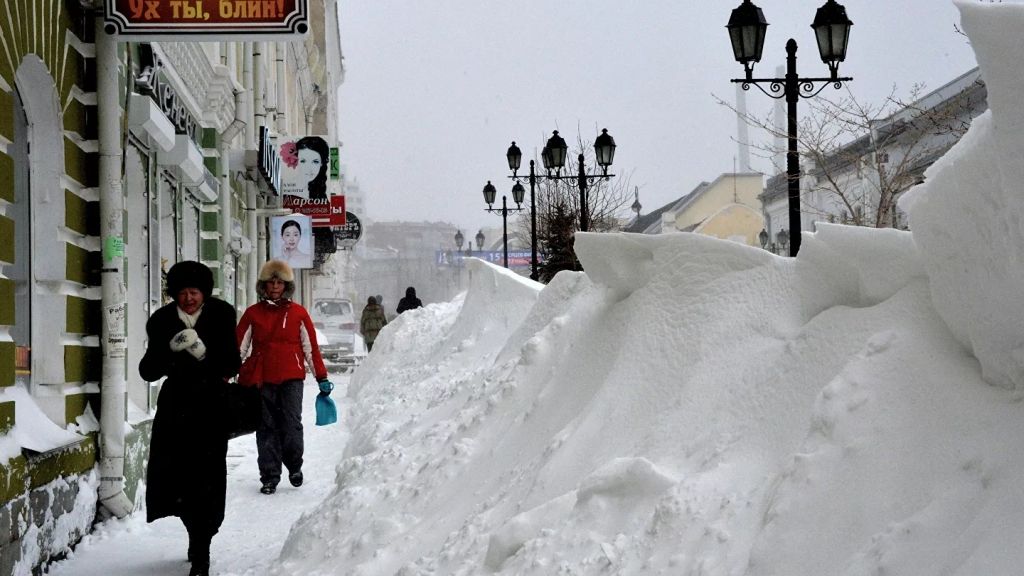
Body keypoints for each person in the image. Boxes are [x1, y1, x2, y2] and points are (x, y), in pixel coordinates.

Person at [139, 261, 241, 576]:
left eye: (194, 291)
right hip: (176, 412)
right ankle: (193, 532)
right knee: (179, 479)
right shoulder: (161, 321)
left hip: (211, 409)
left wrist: (202, 353)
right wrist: (170, 351)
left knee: (207, 480)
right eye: (182, 292)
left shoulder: (222, 314)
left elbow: (232, 364)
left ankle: (202, 546)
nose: (188, 298)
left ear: (204, 292)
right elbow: (148, 370)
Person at [236, 259, 331, 495]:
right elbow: (238, 347)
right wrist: (226, 376)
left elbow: (310, 348)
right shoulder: (253, 314)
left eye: (279, 282)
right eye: (271, 282)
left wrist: (322, 377)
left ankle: (295, 467)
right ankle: (269, 476)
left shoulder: (298, 313)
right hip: (262, 377)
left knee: (291, 424)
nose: (275, 286)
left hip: (291, 377)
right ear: (263, 286)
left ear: (286, 285)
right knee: (266, 427)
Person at [294, 136, 330, 201]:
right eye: (303, 161)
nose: (308, 168)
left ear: (321, 163)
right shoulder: (287, 189)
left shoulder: (321, 192)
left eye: (315, 162)